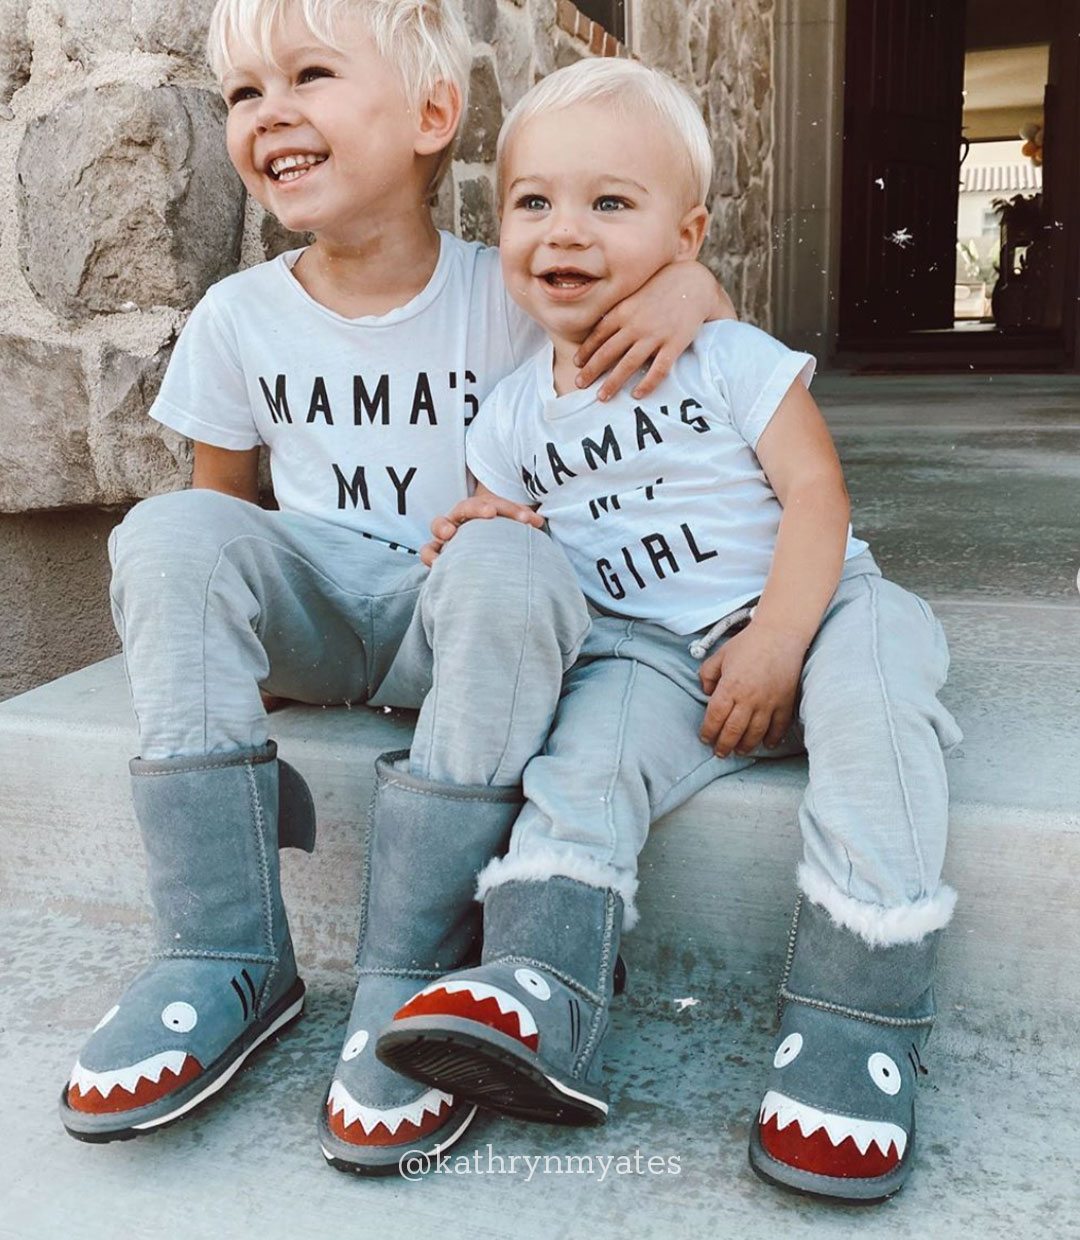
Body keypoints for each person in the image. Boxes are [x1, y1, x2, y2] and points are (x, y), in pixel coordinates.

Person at [56, 0, 735, 1174]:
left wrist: (696, 288)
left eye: (310, 74)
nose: (271, 114)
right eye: (244, 95)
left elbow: (672, 336)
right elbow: (228, 518)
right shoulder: (238, 317)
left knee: (511, 550)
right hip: (329, 618)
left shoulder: (515, 287)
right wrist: (225, 672)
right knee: (169, 528)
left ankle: (413, 964)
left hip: (467, 624)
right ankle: (223, 948)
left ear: (432, 115)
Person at [376, 57, 963, 1203]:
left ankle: (857, 1018)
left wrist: (782, 644)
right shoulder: (507, 416)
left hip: (822, 606)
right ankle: (540, 983)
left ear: (686, 234)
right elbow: (521, 528)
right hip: (650, 646)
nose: (566, 231)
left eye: (611, 202)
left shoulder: (726, 354)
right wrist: (481, 530)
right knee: (582, 758)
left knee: (884, 695)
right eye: (533, 202)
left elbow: (817, 497)